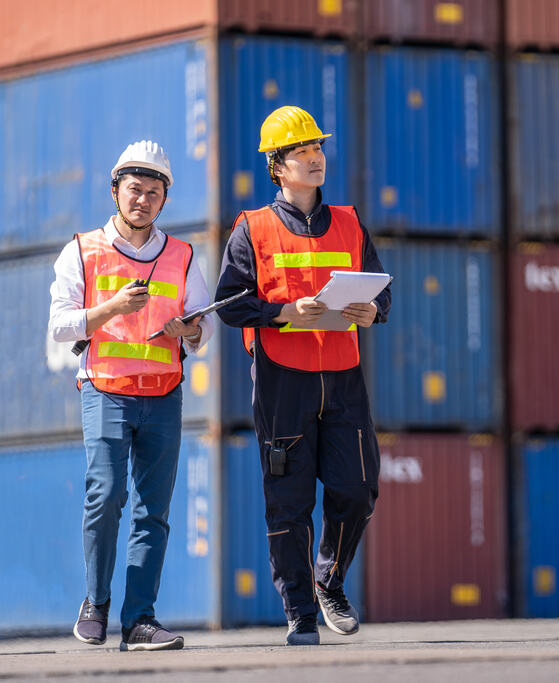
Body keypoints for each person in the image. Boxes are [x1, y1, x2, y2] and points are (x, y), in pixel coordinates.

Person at [214, 106, 390, 646]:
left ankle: (329, 580)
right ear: (277, 165)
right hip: (281, 382)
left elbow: (381, 293)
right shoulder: (251, 229)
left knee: (358, 489)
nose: (316, 158)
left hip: (342, 377)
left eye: (318, 149)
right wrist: (282, 313)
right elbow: (228, 304)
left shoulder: (352, 221)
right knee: (288, 502)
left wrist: (371, 311)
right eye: (302, 152)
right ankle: (301, 614)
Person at [48, 140, 214, 651]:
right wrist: (109, 309)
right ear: (116, 191)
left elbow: (204, 327)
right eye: (134, 189)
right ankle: (95, 604)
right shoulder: (82, 251)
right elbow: (59, 326)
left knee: (154, 511)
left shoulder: (183, 256)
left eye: (154, 192)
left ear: (165, 200)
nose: (143, 199)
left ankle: (139, 620)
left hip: (164, 394)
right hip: (106, 389)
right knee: (106, 495)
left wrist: (189, 330)